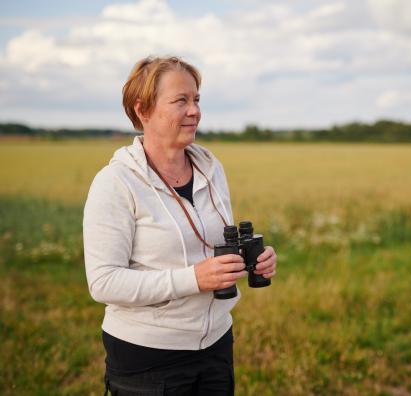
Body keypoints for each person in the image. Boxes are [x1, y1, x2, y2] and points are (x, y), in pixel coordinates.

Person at [83, 56, 277, 395]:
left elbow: (212, 245)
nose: (195, 111)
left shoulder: (210, 168)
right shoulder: (115, 182)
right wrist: (194, 279)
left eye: (197, 99)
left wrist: (252, 261)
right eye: (181, 101)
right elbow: (103, 282)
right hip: (148, 357)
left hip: (216, 343)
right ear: (143, 110)